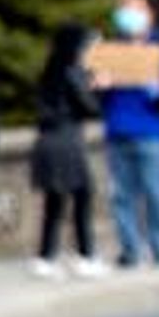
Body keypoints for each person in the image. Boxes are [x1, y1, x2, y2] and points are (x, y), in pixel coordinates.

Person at [97, 0, 159, 268]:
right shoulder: (112, 48)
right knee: (122, 195)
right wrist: (101, 86)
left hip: (150, 130)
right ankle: (129, 250)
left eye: (137, 9)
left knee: (155, 192)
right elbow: (95, 91)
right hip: (118, 129)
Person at [30, 17, 104, 277]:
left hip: (47, 139)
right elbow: (89, 106)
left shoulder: (49, 70)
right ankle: (85, 254)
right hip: (67, 139)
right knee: (82, 196)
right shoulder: (72, 73)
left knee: (54, 201)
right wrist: (98, 88)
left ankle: (45, 256)